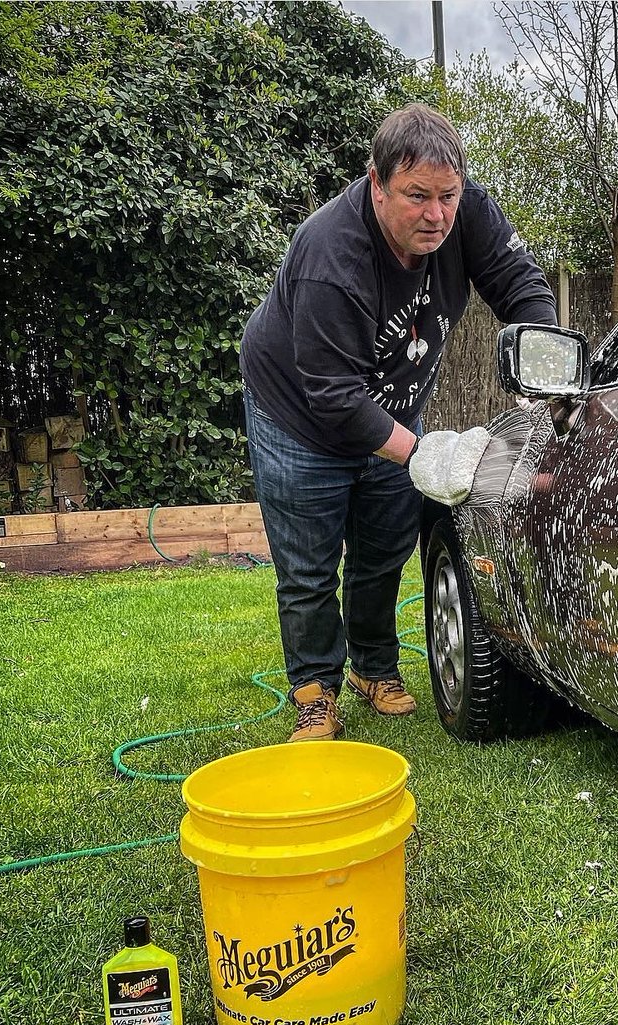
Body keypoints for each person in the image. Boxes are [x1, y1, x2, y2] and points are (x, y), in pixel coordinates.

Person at [240, 102, 557, 742]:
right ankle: (313, 690)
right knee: (308, 567)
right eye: (416, 196)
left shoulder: (464, 214)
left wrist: (542, 371)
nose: (436, 215)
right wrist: (432, 456)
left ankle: (373, 669)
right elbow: (332, 396)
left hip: (390, 406)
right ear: (377, 183)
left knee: (384, 551)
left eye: (447, 195)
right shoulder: (332, 256)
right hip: (299, 416)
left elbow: (521, 285)